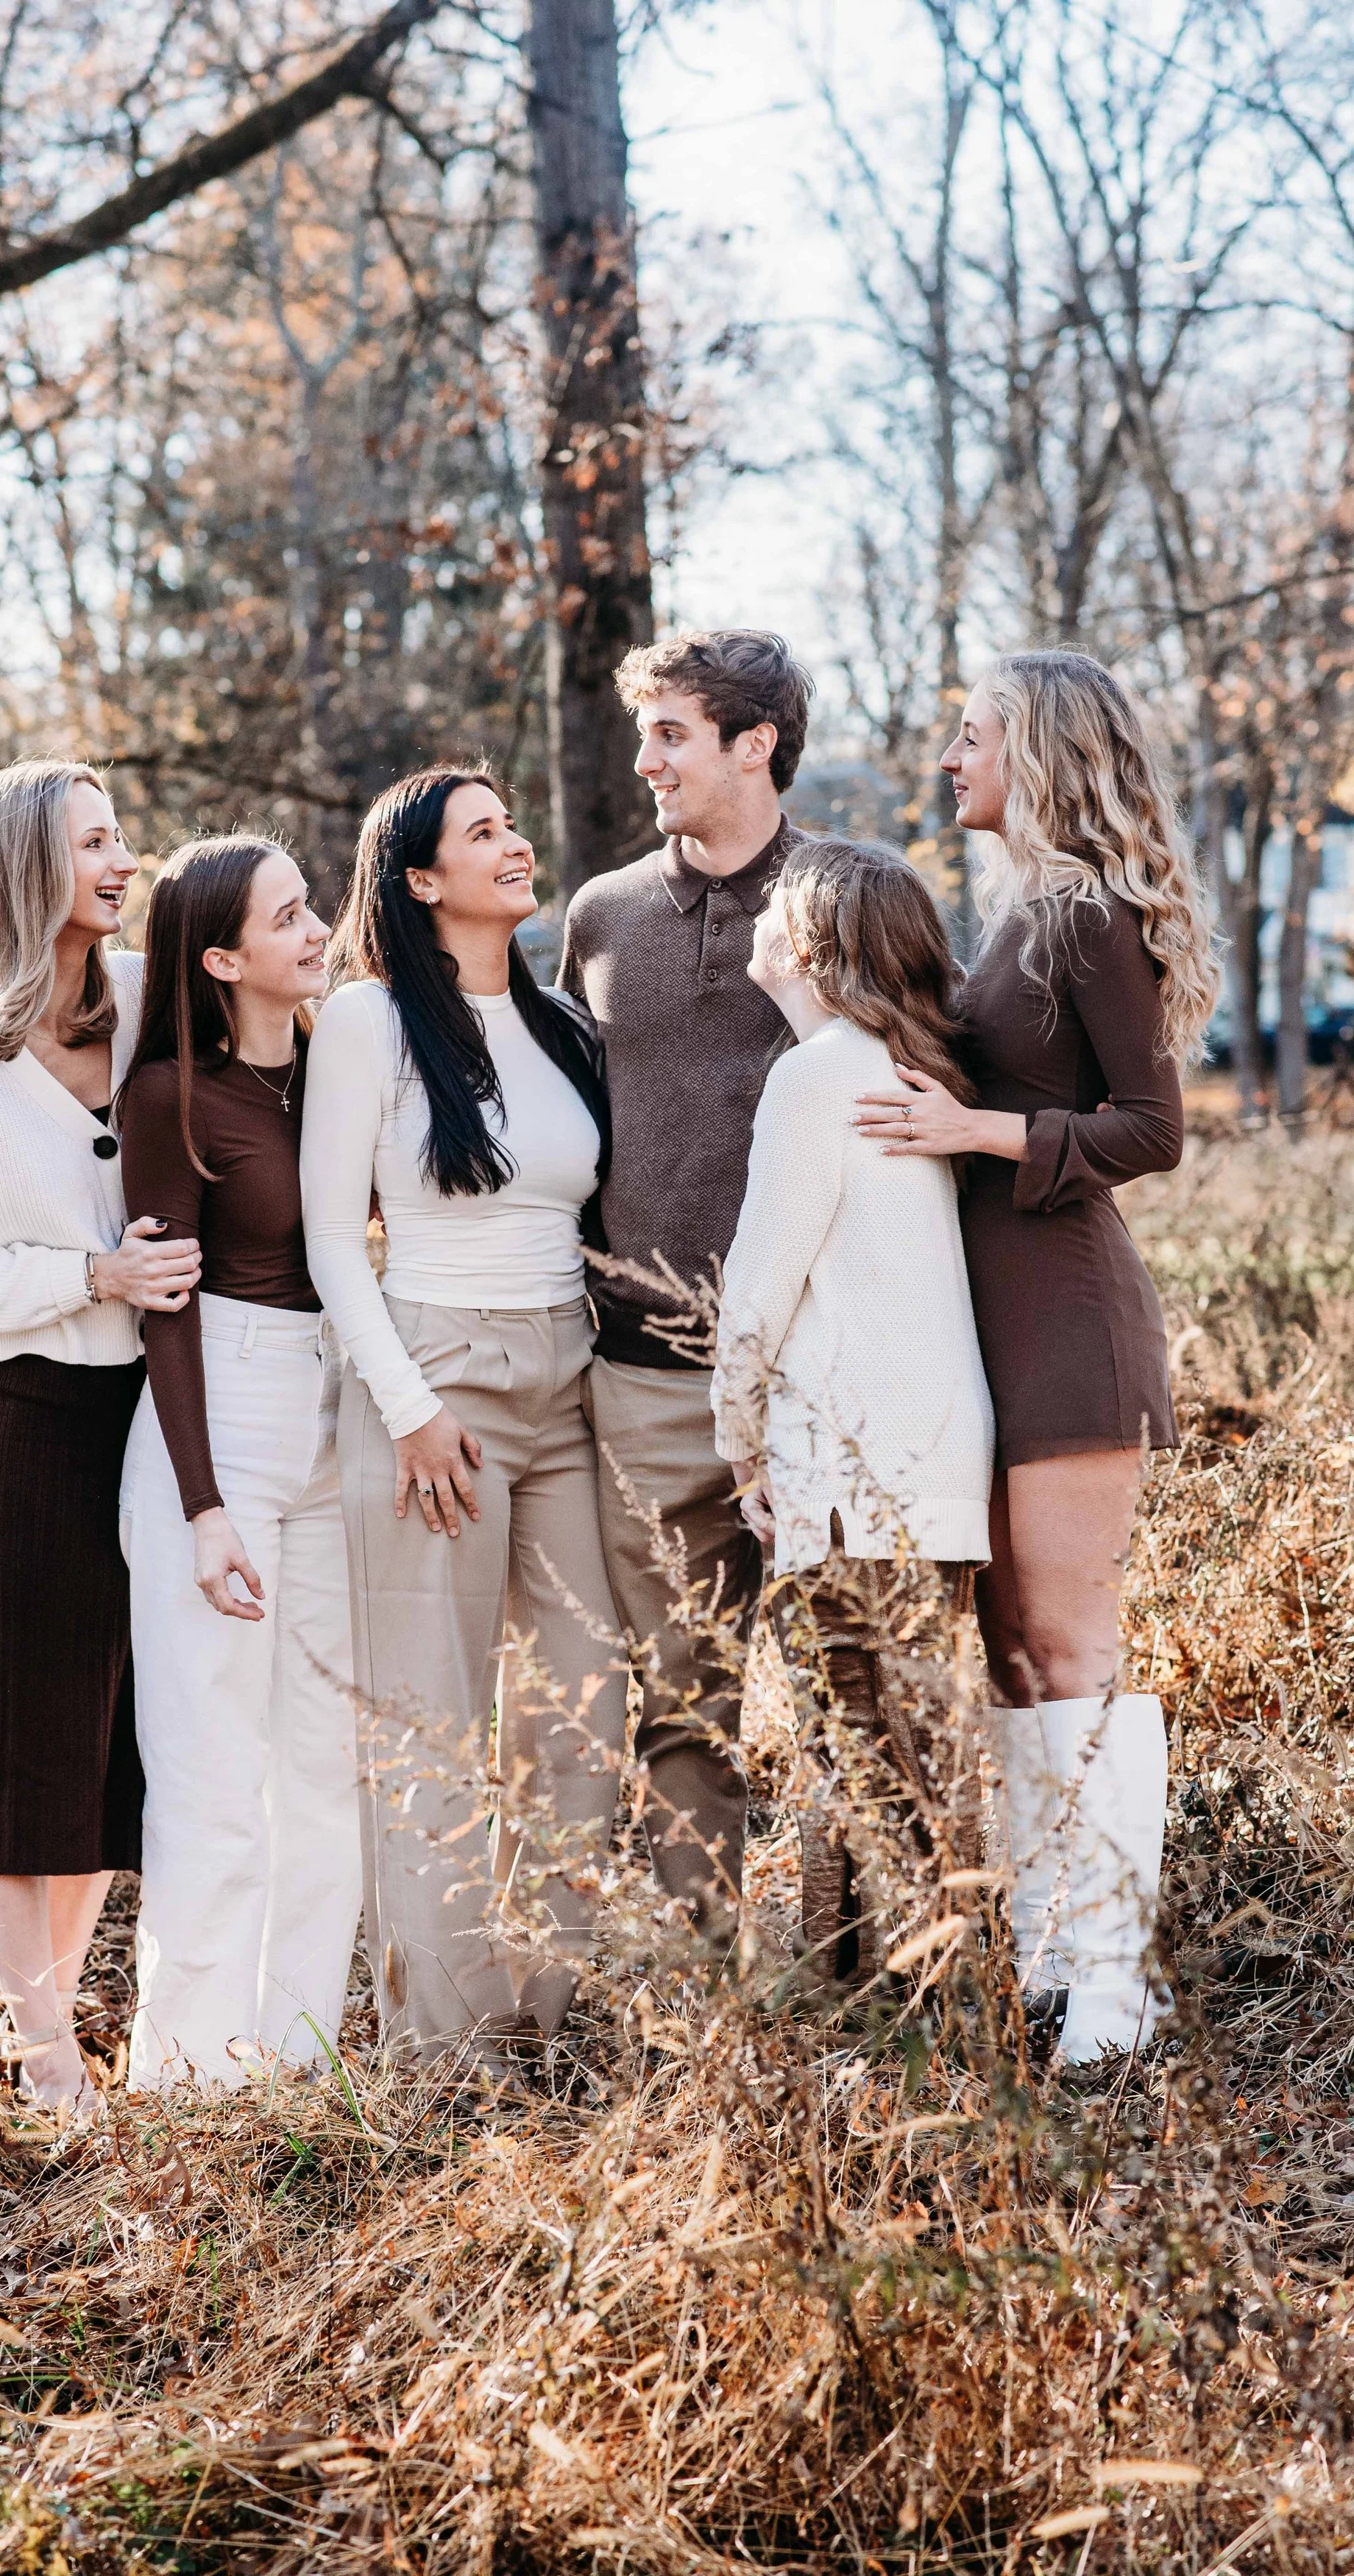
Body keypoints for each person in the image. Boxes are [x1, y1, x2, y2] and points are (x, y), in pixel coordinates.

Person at [854, 650, 1218, 2061]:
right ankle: (1050, 1950)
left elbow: (1152, 1126)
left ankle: (1118, 1984)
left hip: (1067, 1319)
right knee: (1009, 1651)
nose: (953, 758)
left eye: (973, 735)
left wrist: (979, 1134)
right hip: (983, 1334)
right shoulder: (1013, 916)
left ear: (1043, 750)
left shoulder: (1088, 917)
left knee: (1070, 1646)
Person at [0, 758, 201, 2114]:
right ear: (24, 870)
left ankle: (51, 2026)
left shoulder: (144, 1007)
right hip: (29, 1423)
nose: (123, 863)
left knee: (113, 1751)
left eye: (122, 839)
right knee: (29, 1746)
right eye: (94, 843)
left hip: (165, 1417)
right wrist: (94, 1279)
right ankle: (46, 2055)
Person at [300, 768, 626, 2073]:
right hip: (435, 1374)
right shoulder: (368, 1022)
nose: (516, 841)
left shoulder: (558, 1026)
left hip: (568, 1380)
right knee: (434, 1722)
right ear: (420, 878)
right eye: (482, 831)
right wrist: (411, 1407)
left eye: (513, 823)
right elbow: (333, 1237)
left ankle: (536, 2032)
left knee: (584, 1712)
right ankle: (443, 2063)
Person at [559, 627, 813, 1936]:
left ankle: (867, 1985)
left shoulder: (853, 896)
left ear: (752, 744)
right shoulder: (600, 917)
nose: (644, 758)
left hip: (826, 1382)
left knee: (854, 1697)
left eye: (671, 733)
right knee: (681, 1696)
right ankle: (704, 1992)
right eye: (645, 730)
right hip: (648, 1375)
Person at [712, 841, 994, 1978]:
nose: (758, 922)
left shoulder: (819, 1074)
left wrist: (738, 1444)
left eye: (778, 909)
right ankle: (940, 1997)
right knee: (921, 1750)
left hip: (850, 1473)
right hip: (935, 1463)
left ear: (816, 943)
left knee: (848, 1748)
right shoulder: (909, 1067)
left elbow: (759, 1287)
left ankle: (854, 2010)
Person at [115, 835, 359, 2089]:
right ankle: (193, 2075)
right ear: (220, 958)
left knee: (323, 1764)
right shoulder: (169, 1095)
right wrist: (204, 1503)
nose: (317, 930)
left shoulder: (329, 1070)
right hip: (221, 1415)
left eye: (311, 907)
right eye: (286, 918)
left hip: (337, 1414)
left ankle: (299, 2058)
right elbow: (168, 1306)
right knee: (213, 1764)